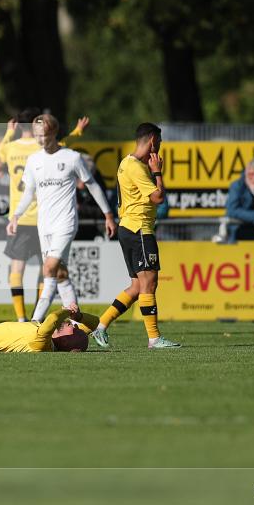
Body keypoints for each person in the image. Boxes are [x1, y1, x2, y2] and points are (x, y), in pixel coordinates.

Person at [7, 114, 116, 322]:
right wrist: (16, 216)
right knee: (60, 275)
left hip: (65, 223)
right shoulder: (34, 160)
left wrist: (108, 215)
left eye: (44, 136)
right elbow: (28, 193)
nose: (40, 140)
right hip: (44, 225)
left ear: (54, 133)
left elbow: (92, 185)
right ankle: (78, 324)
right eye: (37, 136)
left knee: (48, 269)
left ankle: (34, 324)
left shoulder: (71, 157)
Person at [90, 123, 180, 349]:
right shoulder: (137, 167)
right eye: (159, 141)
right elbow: (158, 197)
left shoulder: (127, 163)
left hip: (128, 228)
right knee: (149, 284)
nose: (159, 146)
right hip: (139, 229)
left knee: (137, 287)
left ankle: (101, 326)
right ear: (152, 140)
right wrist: (158, 172)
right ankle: (154, 338)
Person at [0, 110, 89, 321]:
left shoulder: (10, 148)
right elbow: (64, 143)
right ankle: (41, 317)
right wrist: (77, 131)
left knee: (17, 270)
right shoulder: (45, 146)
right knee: (48, 271)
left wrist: (9, 133)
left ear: (19, 125)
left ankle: (23, 319)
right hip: (45, 217)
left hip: (20, 217)